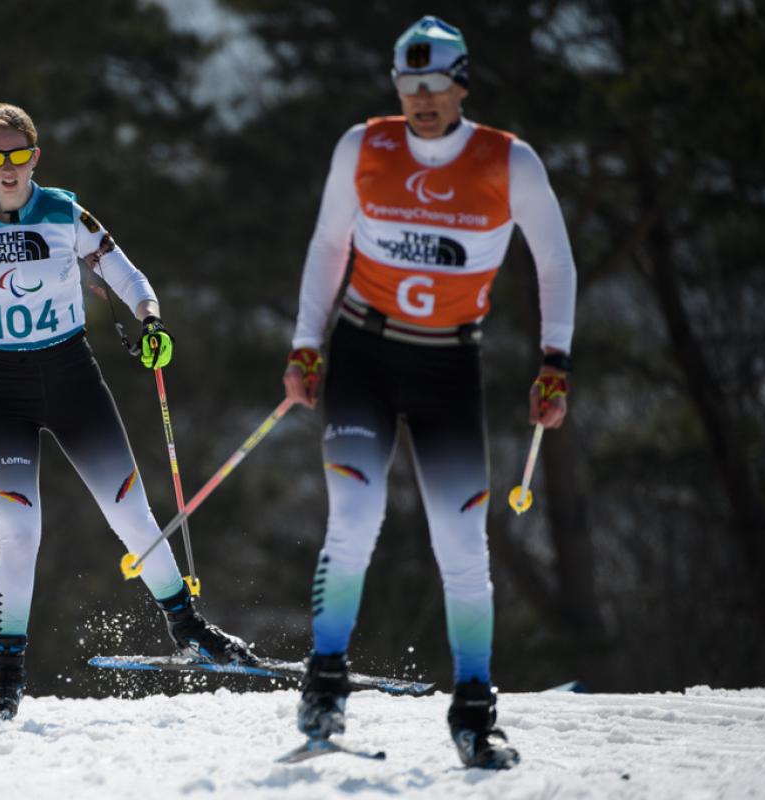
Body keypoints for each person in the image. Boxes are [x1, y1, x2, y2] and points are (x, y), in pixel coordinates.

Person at [0, 103, 254, 722]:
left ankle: (189, 629)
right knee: (20, 533)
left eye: (18, 155)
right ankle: (6, 674)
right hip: (2, 387)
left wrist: (151, 321)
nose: (8, 167)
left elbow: (128, 275)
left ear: (34, 157)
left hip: (72, 377)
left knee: (130, 511)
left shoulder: (65, 213)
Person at [281, 17, 576, 769]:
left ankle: (474, 711)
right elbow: (326, 245)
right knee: (353, 516)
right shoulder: (364, 145)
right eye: (408, 86)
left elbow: (555, 262)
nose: (421, 100)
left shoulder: (508, 161)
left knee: (461, 543)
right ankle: (324, 689)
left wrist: (556, 361)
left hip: (449, 365)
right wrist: (305, 346)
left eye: (435, 85)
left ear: (462, 84)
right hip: (362, 355)